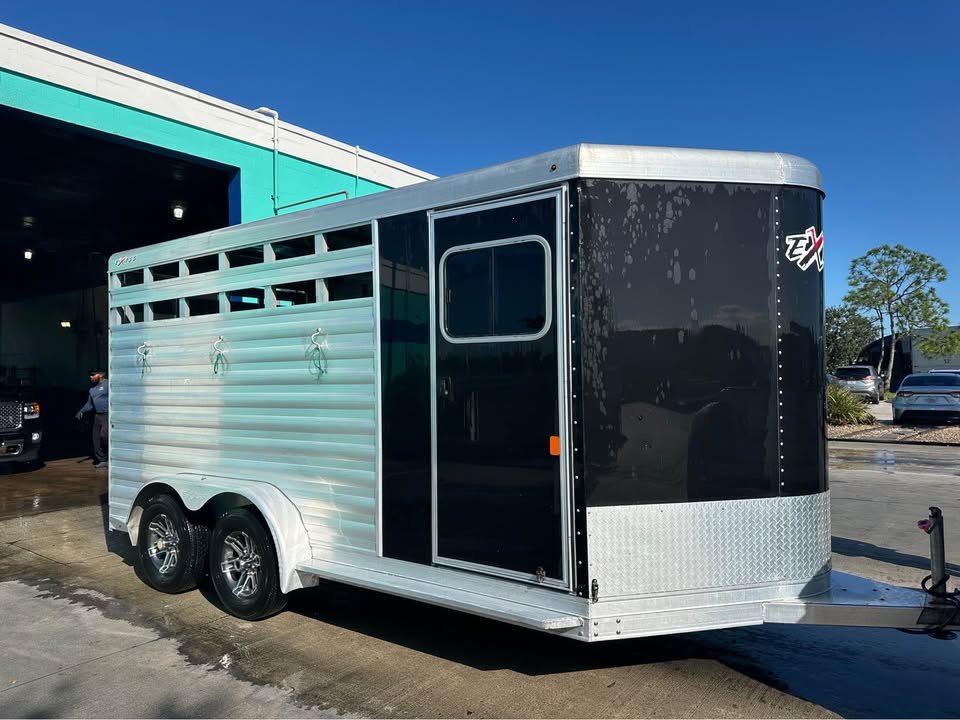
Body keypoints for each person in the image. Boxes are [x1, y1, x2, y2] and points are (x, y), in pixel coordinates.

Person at [76, 369, 109, 468]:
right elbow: (90, 404)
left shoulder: (108, 384)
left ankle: (110, 457)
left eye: (93, 375)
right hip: (97, 416)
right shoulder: (92, 389)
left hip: (107, 415)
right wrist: (81, 411)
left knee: (104, 436)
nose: (90, 377)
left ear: (101, 375)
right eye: (90, 375)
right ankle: (102, 460)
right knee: (96, 439)